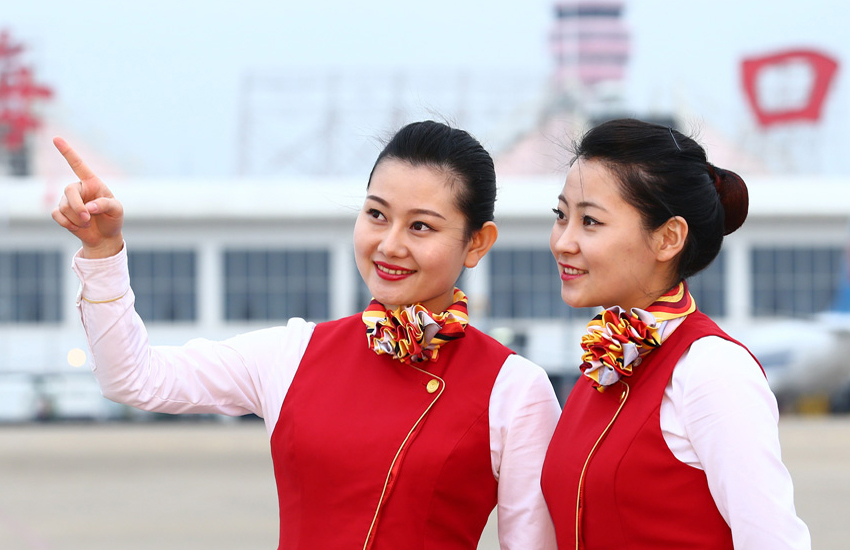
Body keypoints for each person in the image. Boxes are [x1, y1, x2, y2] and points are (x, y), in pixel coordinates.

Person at [51, 120, 561, 549]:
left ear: (477, 243)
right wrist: (103, 255)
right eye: (376, 214)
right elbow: (133, 379)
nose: (389, 244)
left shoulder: (514, 389)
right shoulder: (293, 353)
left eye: (421, 227)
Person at [540, 118, 811, 549]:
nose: (562, 241)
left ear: (668, 238)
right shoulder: (603, 367)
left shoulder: (711, 370)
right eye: (561, 216)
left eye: (590, 221)